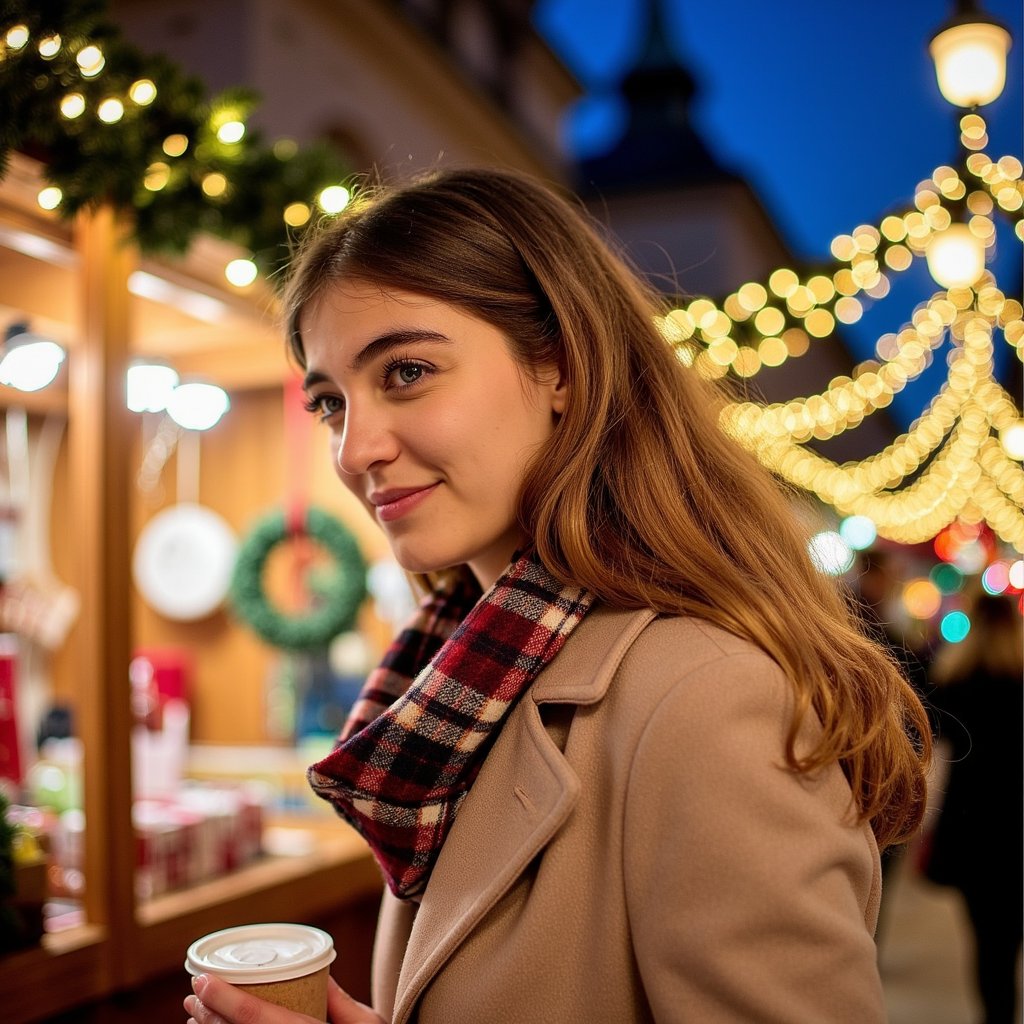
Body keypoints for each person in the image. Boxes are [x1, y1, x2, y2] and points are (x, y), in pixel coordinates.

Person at [184, 167, 930, 1024]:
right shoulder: (459, 673)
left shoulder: (708, 698)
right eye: (329, 403)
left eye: (407, 371)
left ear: (562, 369)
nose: (355, 450)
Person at [922, 584, 1022, 1024]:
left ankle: (996, 1014)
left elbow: (937, 761)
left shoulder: (954, 681)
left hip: (974, 828)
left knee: (989, 943)